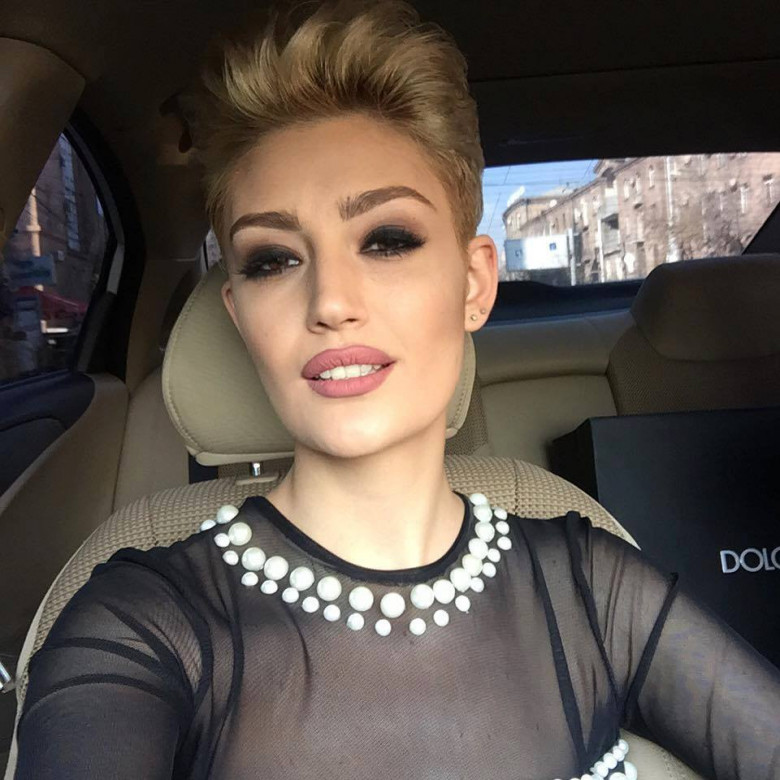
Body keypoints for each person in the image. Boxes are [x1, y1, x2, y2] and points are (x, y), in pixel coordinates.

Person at [12, 1, 780, 778]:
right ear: (239, 316)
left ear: (474, 284)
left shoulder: (591, 582)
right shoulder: (142, 621)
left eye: (387, 240)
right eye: (273, 259)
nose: (330, 301)